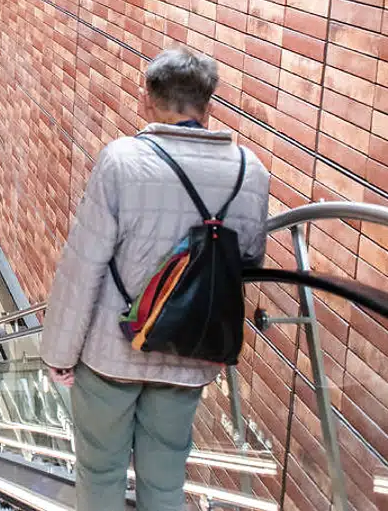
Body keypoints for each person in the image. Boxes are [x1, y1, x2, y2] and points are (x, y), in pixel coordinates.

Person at [40, 47, 271, 511]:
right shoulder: (251, 172)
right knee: (165, 482)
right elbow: (244, 263)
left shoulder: (123, 162)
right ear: (209, 103)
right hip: (189, 356)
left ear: (147, 99)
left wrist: (59, 352)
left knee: (100, 473)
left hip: (112, 352)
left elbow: (84, 264)